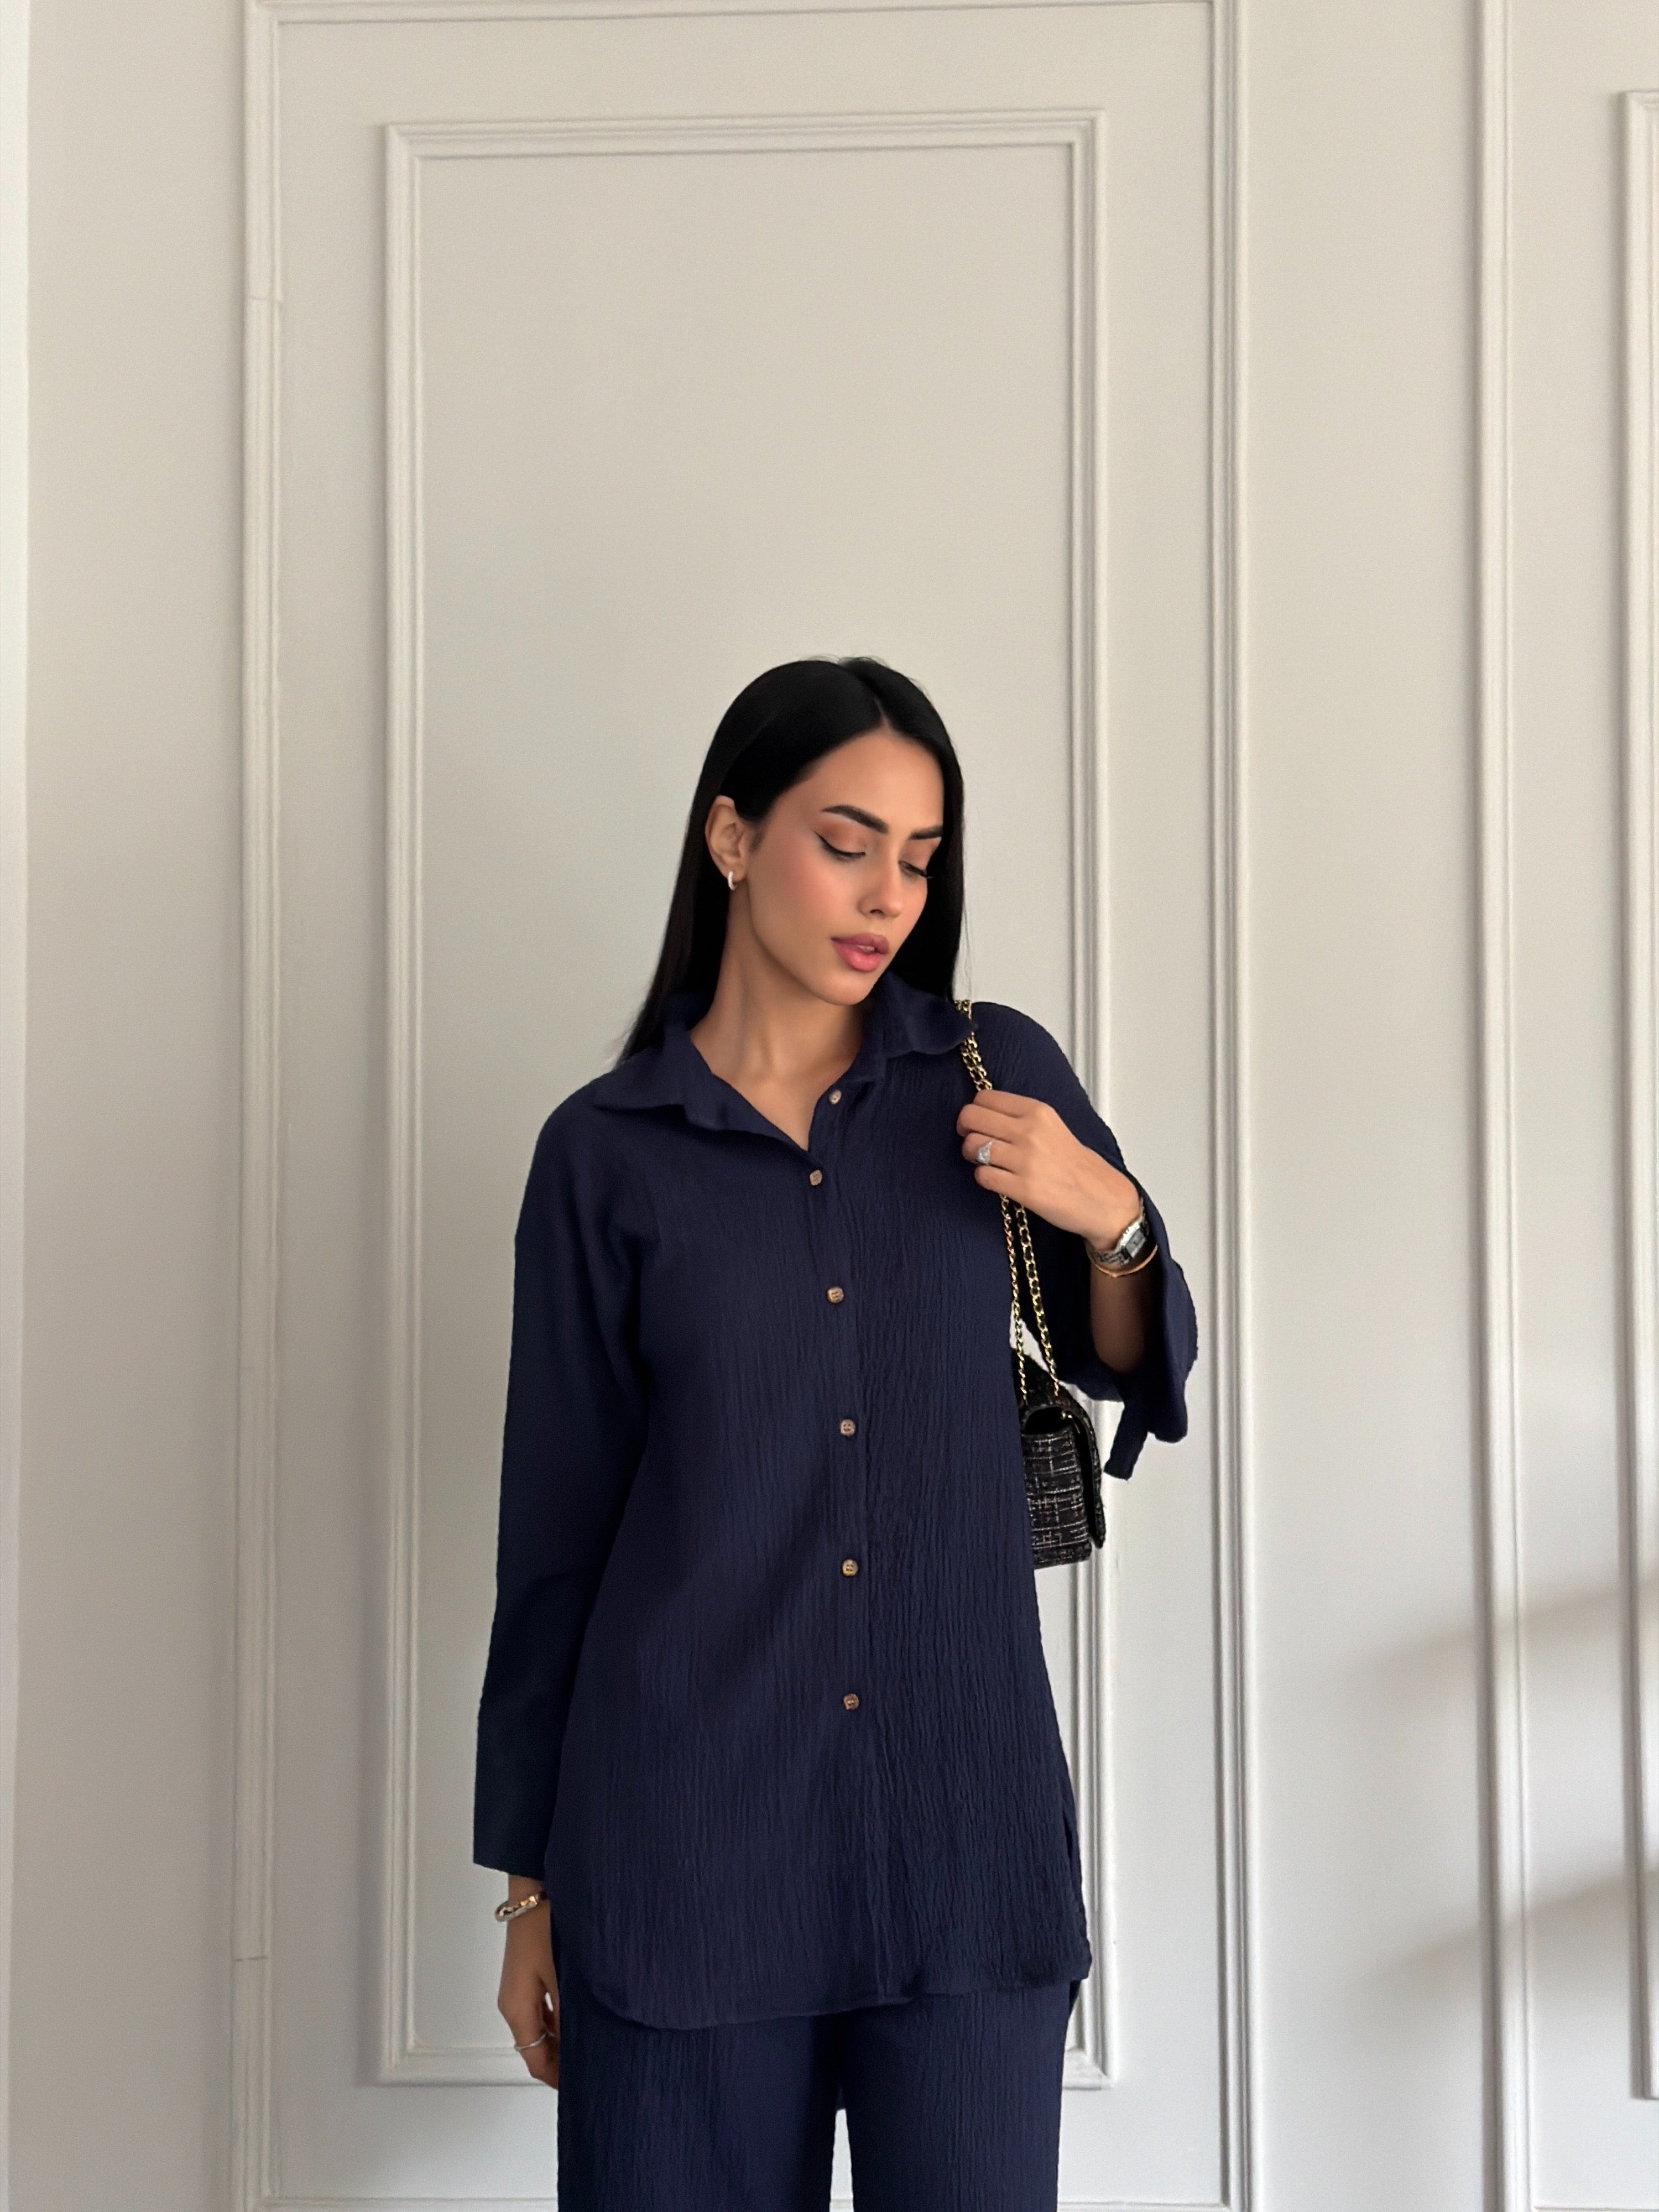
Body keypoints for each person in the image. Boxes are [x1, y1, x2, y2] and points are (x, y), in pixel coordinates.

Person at [472, 656, 1199, 2210]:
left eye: (920, 859)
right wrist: (530, 1888)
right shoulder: (605, 1153)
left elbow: (1128, 1360)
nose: (887, 898)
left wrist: (1114, 1216)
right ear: (733, 837)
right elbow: (557, 1536)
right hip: (685, 1853)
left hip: (961, 1838)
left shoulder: (992, 1076)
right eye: (847, 842)